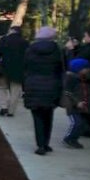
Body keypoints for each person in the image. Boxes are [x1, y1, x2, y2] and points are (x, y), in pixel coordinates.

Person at [23, 26, 64, 155]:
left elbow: (25, 67)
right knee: (48, 116)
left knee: (37, 117)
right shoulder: (56, 50)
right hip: (51, 86)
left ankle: (40, 145)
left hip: (33, 85)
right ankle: (46, 143)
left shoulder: (30, 50)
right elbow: (61, 69)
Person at [0, 26, 28, 117]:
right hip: (18, 70)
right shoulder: (24, 42)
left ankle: (3, 107)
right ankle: (11, 110)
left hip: (4, 68)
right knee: (15, 90)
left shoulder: (4, 40)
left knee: (2, 88)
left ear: (11, 31)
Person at [61, 58, 90, 149]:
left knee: (82, 124)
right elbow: (67, 93)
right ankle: (68, 138)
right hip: (73, 107)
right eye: (86, 68)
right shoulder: (71, 79)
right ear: (79, 69)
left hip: (83, 106)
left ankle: (74, 139)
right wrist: (77, 102)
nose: (88, 69)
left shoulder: (84, 79)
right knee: (77, 123)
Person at [74, 25, 90, 137]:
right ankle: (89, 128)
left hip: (87, 81)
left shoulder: (88, 49)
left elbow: (76, 63)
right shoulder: (87, 48)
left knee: (86, 104)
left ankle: (85, 127)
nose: (84, 38)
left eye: (86, 36)